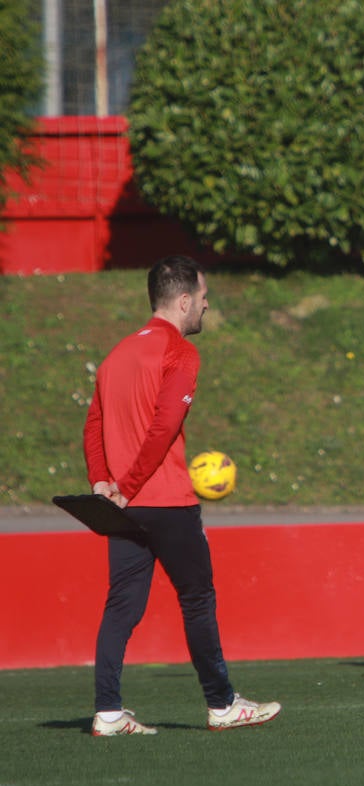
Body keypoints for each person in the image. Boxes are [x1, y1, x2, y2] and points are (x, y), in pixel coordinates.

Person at [83, 255, 281, 736]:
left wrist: (103, 483)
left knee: (121, 607)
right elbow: (166, 424)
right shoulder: (180, 353)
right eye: (204, 299)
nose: (207, 307)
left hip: (120, 505)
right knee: (197, 599)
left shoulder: (116, 355)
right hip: (166, 501)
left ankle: (108, 713)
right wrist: (128, 487)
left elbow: (93, 424)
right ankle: (222, 705)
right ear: (184, 300)